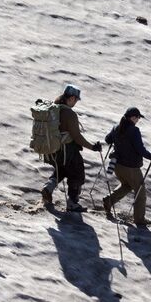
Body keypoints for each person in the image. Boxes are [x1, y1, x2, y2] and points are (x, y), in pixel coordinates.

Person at [41, 84, 101, 212]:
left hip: (54, 149)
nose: (76, 102)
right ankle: (72, 203)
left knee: (62, 169)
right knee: (77, 174)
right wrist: (93, 147)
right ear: (72, 98)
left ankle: (48, 188)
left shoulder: (54, 108)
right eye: (76, 100)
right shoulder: (69, 113)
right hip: (68, 150)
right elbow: (76, 136)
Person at [102, 107, 151, 226]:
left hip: (118, 165)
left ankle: (108, 200)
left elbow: (107, 139)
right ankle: (139, 219)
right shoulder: (134, 130)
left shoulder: (117, 127)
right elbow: (139, 149)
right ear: (133, 117)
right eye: (137, 118)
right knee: (140, 193)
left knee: (126, 185)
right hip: (131, 168)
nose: (138, 120)